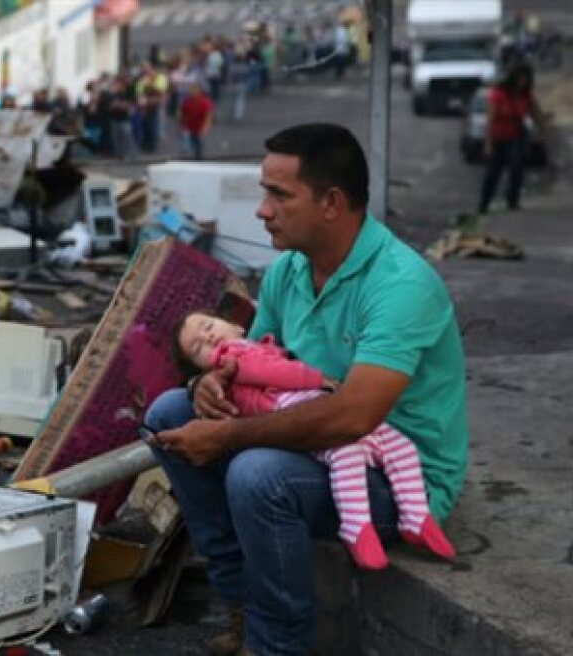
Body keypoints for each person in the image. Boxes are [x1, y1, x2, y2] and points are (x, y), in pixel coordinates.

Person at [144, 123, 467, 656]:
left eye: (278, 195)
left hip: (391, 472)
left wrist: (227, 437)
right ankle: (243, 603)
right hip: (315, 443)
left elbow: (352, 417)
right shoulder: (288, 271)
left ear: (332, 203)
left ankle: (279, 645)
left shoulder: (401, 285)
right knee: (168, 412)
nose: (261, 210)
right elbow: (253, 364)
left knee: (257, 474)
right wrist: (208, 384)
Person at [173, 310, 456, 570]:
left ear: (236, 324)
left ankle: (416, 516)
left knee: (399, 445)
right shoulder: (233, 354)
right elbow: (274, 372)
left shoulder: (254, 343)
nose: (208, 337)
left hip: (318, 407)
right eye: (199, 348)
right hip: (293, 409)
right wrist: (319, 378)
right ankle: (356, 526)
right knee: (345, 452)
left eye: (208, 326)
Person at [479, 63, 541, 214]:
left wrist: (542, 131)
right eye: (520, 79)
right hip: (498, 136)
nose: (522, 82)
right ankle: (484, 204)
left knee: (517, 166)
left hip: (515, 136)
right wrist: (488, 143)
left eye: (525, 79)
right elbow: (491, 120)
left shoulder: (525, 95)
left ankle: (512, 200)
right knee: (493, 173)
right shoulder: (499, 93)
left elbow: (535, 112)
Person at [178, 82, 212, 160]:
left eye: (194, 90)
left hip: (198, 128)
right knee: (186, 145)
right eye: (191, 90)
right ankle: (185, 158)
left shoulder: (205, 103)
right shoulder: (187, 102)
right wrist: (181, 125)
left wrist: (205, 129)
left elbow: (208, 117)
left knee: (198, 145)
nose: (192, 92)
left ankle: (198, 158)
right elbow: (181, 114)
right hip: (188, 127)